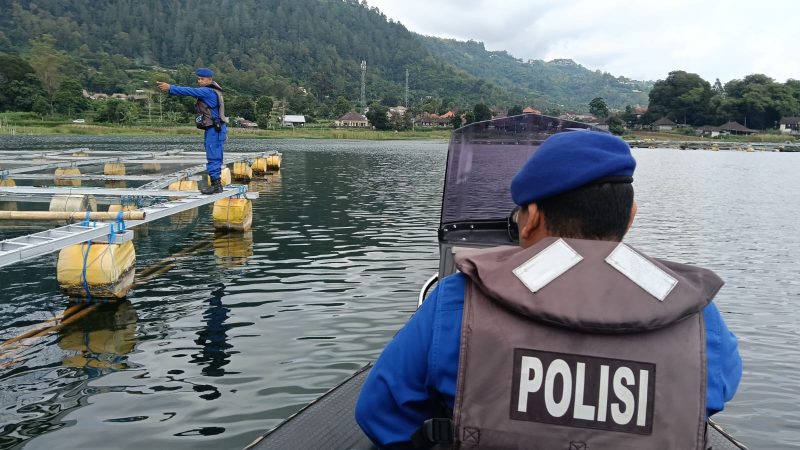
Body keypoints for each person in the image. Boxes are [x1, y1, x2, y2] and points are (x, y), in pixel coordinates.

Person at [355, 131, 742, 449]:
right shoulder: (697, 316)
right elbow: (710, 398)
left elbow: (379, 415)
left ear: (532, 218)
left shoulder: (458, 300)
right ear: (630, 217)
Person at [157, 68, 228, 194]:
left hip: (215, 129)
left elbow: (189, 91)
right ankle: (216, 184)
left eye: (202, 79)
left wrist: (170, 88)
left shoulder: (207, 91)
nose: (199, 81)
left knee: (213, 156)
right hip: (214, 129)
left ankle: (216, 185)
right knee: (213, 155)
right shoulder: (213, 90)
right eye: (198, 79)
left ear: (210, 80)